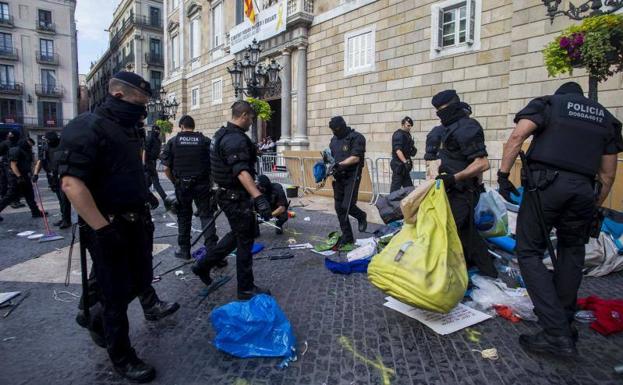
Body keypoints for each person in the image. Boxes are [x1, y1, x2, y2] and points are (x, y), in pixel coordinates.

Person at [497, 81, 622, 357]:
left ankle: (555, 332)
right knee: (572, 251)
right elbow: (608, 173)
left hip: (546, 186)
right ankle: (564, 319)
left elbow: (518, 137)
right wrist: (593, 205)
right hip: (584, 190)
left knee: (528, 251)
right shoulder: (606, 118)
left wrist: (504, 176)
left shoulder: (550, 104)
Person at [59, 71, 166, 382]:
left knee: (141, 279)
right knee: (115, 295)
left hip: (137, 220)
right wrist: (103, 230)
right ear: (118, 96)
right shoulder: (85, 127)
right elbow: (70, 182)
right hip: (108, 224)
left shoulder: (128, 129)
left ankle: (94, 315)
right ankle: (122, 356)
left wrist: (143, 194)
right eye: (139, 102)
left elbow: (124, 170)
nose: (142, 110)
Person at [192, 100, 272, 300]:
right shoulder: (234, 139)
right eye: (252, 118)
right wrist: (259, 197)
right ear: (244, 115)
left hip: (228, 194)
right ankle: (245, 288)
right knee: (244, 241)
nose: (252, 122)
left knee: (239, 235)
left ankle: (203, 265)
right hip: (235, 198)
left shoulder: (222, 134)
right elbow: (240, 171)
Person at [431, 90, 496, 278]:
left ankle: (448, 276)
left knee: (450, 233)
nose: (440, 114)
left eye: (443, 110)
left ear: (453, 106)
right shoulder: (447, 129)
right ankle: (487, 272)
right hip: (451, 190)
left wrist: (455, 178)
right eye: (437, 110)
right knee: (467, 234)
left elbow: (482, 163)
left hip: (463, 192)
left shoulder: (468, 127)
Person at [161, 115, 217, 260]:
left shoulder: (173, 142)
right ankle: (212, 251)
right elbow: (214, 162)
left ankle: (184, 250)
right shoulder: (204, 141)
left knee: (184, 217)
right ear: (193, 125)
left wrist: (175, 182)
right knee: (206, 215)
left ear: (181, 126)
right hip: (202, 185)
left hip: (182, 185)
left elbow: (166, 168)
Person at [328, 116, 367, 249]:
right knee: (339, 208)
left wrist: (339, 165)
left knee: (347, 205)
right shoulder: (333, 140)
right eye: (333, 130)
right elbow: (332, 157)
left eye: (337, 129)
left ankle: (361, 216)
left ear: (343, 126)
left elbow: (356, 158)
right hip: (338, 177)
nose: (335, 132)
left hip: (352, 175)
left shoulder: (356, 137)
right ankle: (348, 236)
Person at [0, 137, 45, 221]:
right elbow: (13, 164)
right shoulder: (16, 150)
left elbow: (31, 163)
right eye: (29, 143)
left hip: (24, 175)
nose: (30, 145)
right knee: (10, 196)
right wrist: (19, 176)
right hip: (16, 177)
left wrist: (33, 174)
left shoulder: (28, 151)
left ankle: (35, 212)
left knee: (29, 194)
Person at [33, 131, 71, 228]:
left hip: (63, 175)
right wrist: (36, 174)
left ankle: (66, 220)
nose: (46, 141)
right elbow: (40, 161)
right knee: (60, 198)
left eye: (47, 140)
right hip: (53, 176)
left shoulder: (63, 145)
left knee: (64, 199)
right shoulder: (46, 148)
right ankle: (64, 218)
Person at [0, 130, 26, 209]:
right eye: (9, 134)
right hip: (7, 166)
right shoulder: (4, 143)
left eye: (11, 134)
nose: (9, 135)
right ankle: (10, 201)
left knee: (16, 185)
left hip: (15, 166)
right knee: (11, 185)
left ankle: (15, 201)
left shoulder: (18, 143)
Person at [390, 116, 417, 192]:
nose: (410, 127)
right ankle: (390, 203)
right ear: (402, 124)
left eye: (410, 126)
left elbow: (407, 149)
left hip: (404, 167)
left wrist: (413, 150)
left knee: (409, 188)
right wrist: (405, 162)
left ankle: (410, 202)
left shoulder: (407, 134)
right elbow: (398, 150)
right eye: (408, 125)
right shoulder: (398, 134)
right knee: (395, 189)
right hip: (399, 166)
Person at [143, 125, 167, 205]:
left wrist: (163, 159)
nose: (157, 132)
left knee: (149, 184)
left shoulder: (156, 140)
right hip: (149, 163)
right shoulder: (151, 139)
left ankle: (154, 201)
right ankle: (164, 199)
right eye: (156, 130)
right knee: (150, 184)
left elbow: (150, 152)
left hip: (150, 164)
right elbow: (145, 151)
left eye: (158, 130)